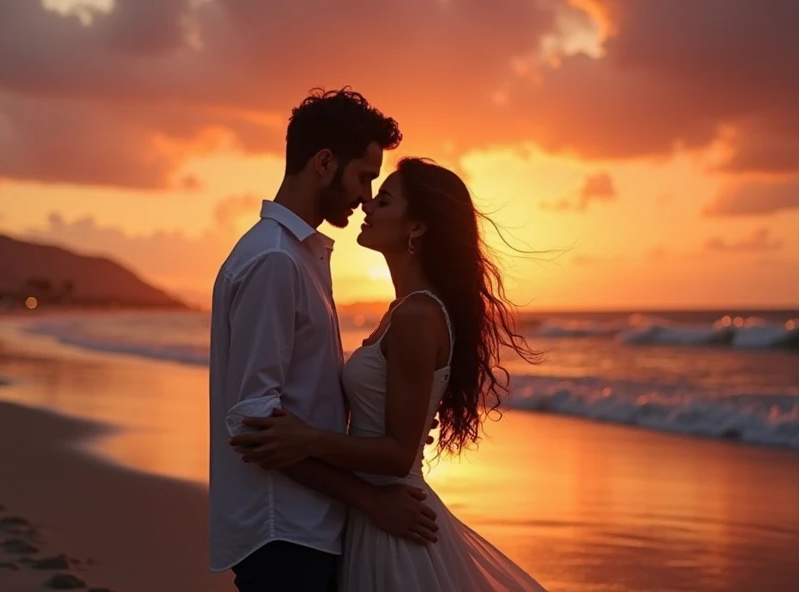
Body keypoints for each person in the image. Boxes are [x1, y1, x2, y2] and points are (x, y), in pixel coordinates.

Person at [230, 158, 549, 591]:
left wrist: (307, 438)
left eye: (383, 200)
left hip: (395, 519)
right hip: (376, 513)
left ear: (416, 228)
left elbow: (398, 454)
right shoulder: (403, 311)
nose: (367, 206)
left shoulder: (417, 315)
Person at [208, 89, 440, 592]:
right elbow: (255, 425)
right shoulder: (275, 260)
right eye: (363, 177)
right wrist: (371, 498)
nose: (364, 196)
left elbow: (304, 398)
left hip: (308, 529)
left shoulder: (301, 256)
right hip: (284, 533)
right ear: (324, 163)